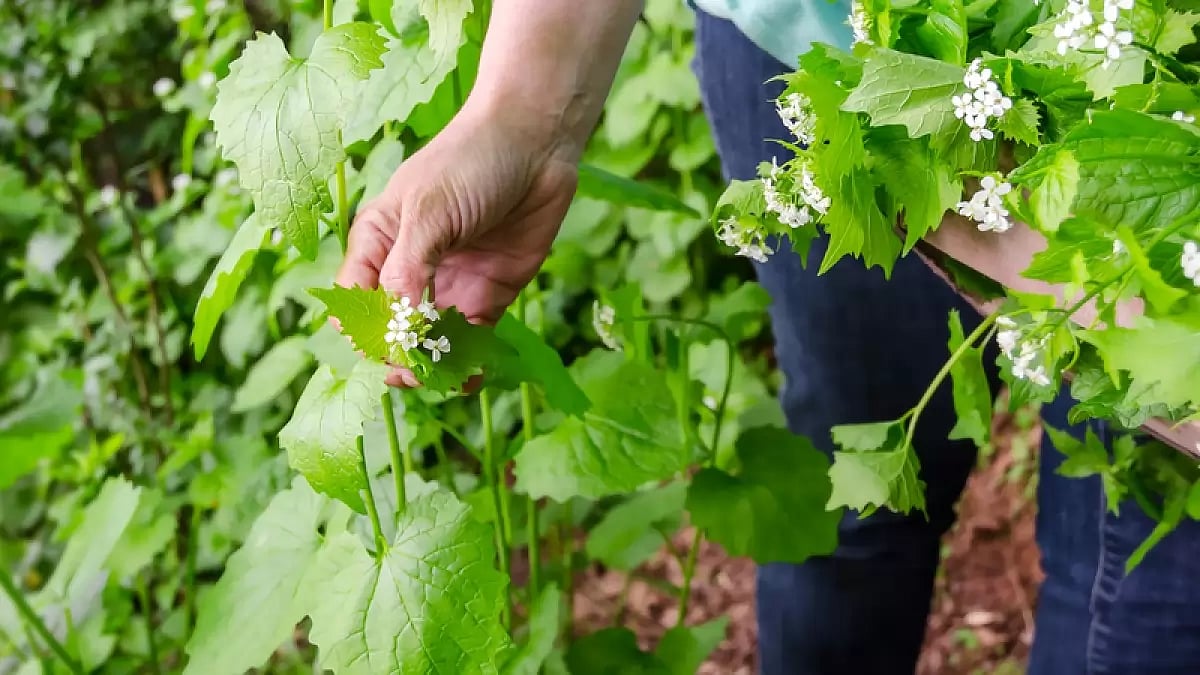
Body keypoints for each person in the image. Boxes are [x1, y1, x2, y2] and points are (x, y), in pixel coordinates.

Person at [335, 1, 1200, 673]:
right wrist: (523, 111)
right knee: (854, 503)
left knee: (1130, 586)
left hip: (1153, 144)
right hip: (814, 67)